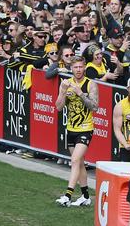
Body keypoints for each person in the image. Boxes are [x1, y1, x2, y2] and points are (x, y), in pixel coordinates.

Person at [55, 56, 99, 207]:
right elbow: (59, 107)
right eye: (75, 67)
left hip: (85, 128)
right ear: (71, 69)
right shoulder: (66, 84)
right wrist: (62, 92)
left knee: (74, 160)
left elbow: (94, 107)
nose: (78, 70)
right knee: (79, 163)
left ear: (84, 67)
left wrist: (80, 93)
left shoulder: (90, 84)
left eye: (81, 67)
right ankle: (86, 196)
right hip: (70, 128)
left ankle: (67, 195)